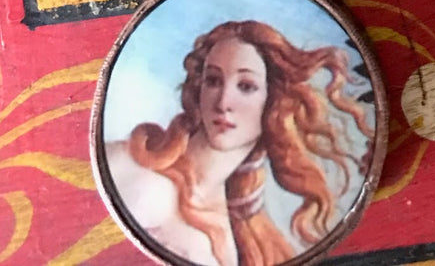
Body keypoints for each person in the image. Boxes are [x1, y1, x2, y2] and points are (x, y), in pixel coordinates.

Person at [105, 18, 375, 266]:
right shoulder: (128, 165)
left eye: (246, 86)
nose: (223, 103)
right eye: (213, 80)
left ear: (273, 102)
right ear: (198, 89)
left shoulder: (238, 232)